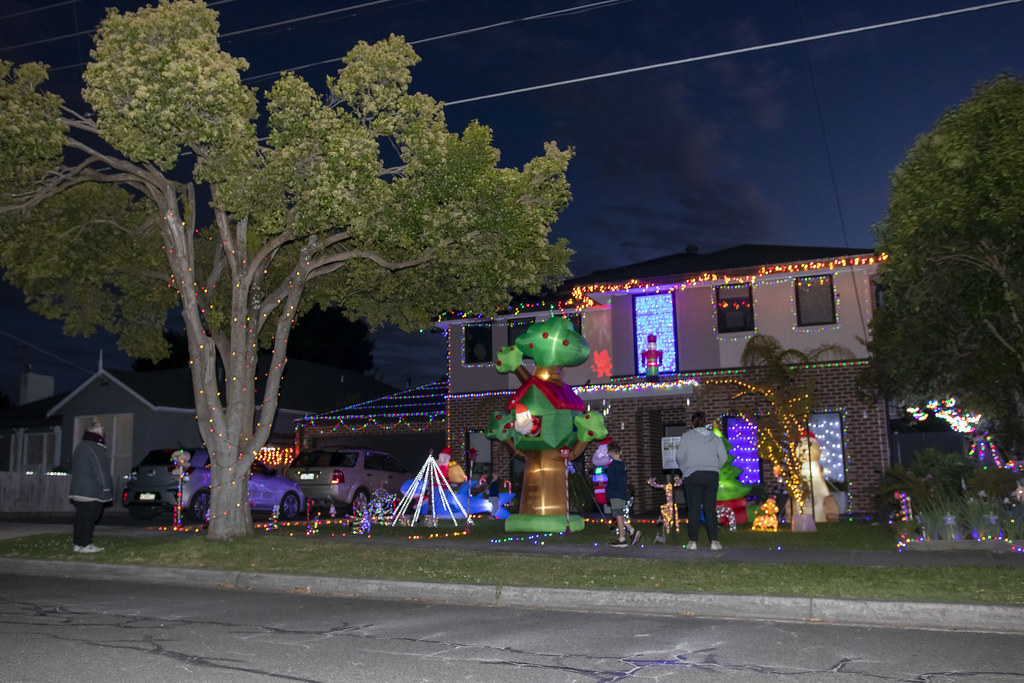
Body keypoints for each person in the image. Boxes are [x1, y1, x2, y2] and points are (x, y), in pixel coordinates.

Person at [674, 411, 728, 550]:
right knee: (710, 508)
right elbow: (724, 458)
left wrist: (685, 469)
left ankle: (693, 542)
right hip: (711, 475)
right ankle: (714, 542)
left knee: (694, 508)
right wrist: (715, 467)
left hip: (692, 475)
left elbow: (679, 456)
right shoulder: (715, 438)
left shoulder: (687, 436)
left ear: (692, 423)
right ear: (705, 422)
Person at [69, 420, 113, 553]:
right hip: (91, 491)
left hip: (77, 490)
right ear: (99, 433)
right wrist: (106, 489)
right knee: (89, 517)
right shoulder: (96, 448)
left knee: (80, 517)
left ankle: (77, 543)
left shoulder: (80, 447)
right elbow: (100, 470)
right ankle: (86, 544)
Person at [605, 441, 641, 547]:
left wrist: (608, 493)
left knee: (619, 516)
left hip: (615, 493)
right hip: (622, 493)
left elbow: (611, 481)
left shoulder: (612, 466)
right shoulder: (623, 465)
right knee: (619, 515)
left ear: (610, 453)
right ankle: (631, 531)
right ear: (621, 451)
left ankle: (623, 538)